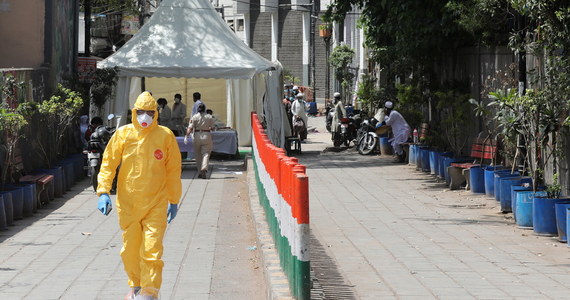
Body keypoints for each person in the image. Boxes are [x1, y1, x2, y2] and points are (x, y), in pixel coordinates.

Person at [96, 91, 182, 300]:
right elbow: (109, 163)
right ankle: (136, 285)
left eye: (149, 112)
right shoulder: (123, 134)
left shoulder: (165, 136)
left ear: (156, 113)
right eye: (141, 112)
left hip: (156, 202)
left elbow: (173, 169)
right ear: (134, 113)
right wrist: (103, 191)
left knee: (152, 250)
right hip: (128, 204)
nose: (145, 117)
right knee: (130, 250)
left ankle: (150, 292)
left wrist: (173, 199)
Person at [184, 103, 214, 179]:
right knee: (206, 153)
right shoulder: (209, 117)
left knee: (198, 155)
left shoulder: (194, 117)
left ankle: (200, 172)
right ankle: (204, 167)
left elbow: (190, 128)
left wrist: (186, 136)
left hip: (196, 135)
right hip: (206, 135)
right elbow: (213, 128)